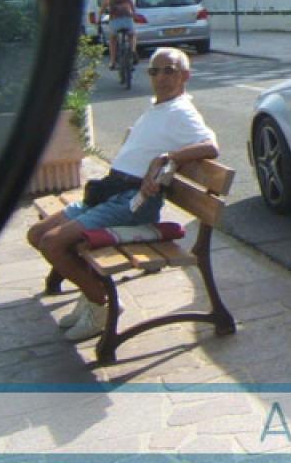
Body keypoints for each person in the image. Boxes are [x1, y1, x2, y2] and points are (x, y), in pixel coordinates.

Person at [27, 48, 218, 343]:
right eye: (154, 71)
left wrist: (167, 158)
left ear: (185, 76)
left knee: (53, 243)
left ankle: (100, 303)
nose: (161, 78)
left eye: (169, 70)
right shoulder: (159, 106)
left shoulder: (182, 110)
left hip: (131, 202)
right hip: (110, 193)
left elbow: (210, 145)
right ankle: (93, 291)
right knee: (38, 233)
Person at [100, 0, 137, 70]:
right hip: (127, 19)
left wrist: (98, 19)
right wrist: (134, 16)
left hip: (115, 20)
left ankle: (112, 63)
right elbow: (132, 7)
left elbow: (103, 9)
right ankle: (132, 50)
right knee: (132, 35)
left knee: (112, 40)